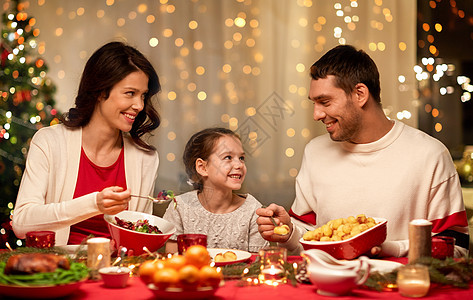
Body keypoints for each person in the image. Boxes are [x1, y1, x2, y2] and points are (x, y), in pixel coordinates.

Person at [256, 45, 469, 257]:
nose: (317, 114)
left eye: (325, 102)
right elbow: (309, 236)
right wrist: (289, 232)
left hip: (399, 287)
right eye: (314, 103)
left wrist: (390, 249)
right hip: (328, 287)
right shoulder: (315, 152)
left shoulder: (430, 155)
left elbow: (456, 246)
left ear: (360, 94)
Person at [12, 41, 162, 246]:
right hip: (58, 269)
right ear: (101, 91)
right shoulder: (49, 142)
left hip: (116, 272)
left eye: (143, 95)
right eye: (130, 93)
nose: (139, 105)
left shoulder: (145, 158)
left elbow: (139, 238)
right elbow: (21, 223)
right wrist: (94, 204)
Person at [163, 127, 268, 253]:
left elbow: (258, 264)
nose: (239, 165)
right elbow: (173, 261)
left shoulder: (253, 210)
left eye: (241, 158)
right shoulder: (179, 207)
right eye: (228, 157)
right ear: (202, 167)